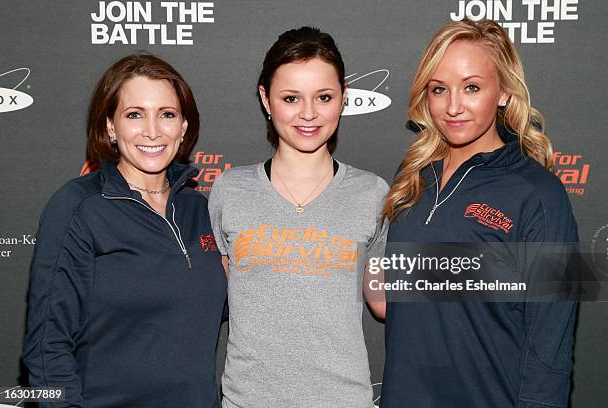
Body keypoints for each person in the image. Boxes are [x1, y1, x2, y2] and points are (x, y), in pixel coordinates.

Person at [375, 19, 578, 408]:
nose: (452, 106)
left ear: (503, 91)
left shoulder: (539, 194)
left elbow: (550, 348)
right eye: (439, 89)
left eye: (472, 87)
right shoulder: (412, 176)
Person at [23, 53, 227, 407]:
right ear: (110, 127)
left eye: (167, 114)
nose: (152, 131)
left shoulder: (203, 210)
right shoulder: (78, 207)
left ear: (183, 127)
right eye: (135, 115)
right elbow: (46, 345)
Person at [208, 27, 388, 408]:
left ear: (343, 99)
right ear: (266, 99)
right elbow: (214, 294)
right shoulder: (230, 191)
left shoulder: (371, 193)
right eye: (291, 98)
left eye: (324, 97)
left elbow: (384, 300)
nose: (309, 114)